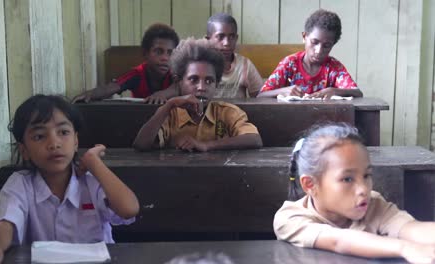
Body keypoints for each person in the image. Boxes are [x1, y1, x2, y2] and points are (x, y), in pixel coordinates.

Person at [0, 95, 139, 264]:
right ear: (24, 150)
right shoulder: (20, 184)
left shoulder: (91, 181)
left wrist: (94, 162)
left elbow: (129, 209)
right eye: (40, 136)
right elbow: (5, 223)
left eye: (63, 132)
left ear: (76, 141)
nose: (54, 143)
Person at [273, 123, 435, 263]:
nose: (364, 189)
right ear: (310, 185)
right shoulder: (290, 217)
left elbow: (410, 228)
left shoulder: (373, 205)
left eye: (366, 176)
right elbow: (338, 241)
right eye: (347, 179)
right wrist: (406, 248)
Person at [133, 38, 263, 152]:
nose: (201, 88)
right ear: (179, 81)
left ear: (216, 84)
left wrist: (207, 145)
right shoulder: (170, 115)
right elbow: (141, 144)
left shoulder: (227, 112)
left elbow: (254, 139)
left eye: (209, 81)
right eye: (193, 79)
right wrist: (169, 104)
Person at [152, 13, 263, 100]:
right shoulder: (199, 65)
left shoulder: (244, 65)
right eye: (220, 37)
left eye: (232, 37)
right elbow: (176, 88)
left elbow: (259, 96)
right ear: (208, 39)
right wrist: (162, 94)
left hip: (233, 116)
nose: (226, 43)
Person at [258, 9, 362, 99]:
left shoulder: (333, 67)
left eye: (326, 46)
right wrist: (282, 91)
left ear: (333, 44)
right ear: (304, 37)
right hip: (289, 119)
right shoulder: (290, 64)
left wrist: (334, 91)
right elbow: (261, 96)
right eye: (314, 42)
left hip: (324, 120)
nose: (319, 50)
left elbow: (357, 93)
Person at [71, 23, 179, 104]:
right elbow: (112, 87)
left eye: (170, 53)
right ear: (145, 54)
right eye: (158, 51)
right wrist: (90, 94)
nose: (165, 58)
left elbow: (178, 87)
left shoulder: (176, 72)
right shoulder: (138, 74)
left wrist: (161, 94)